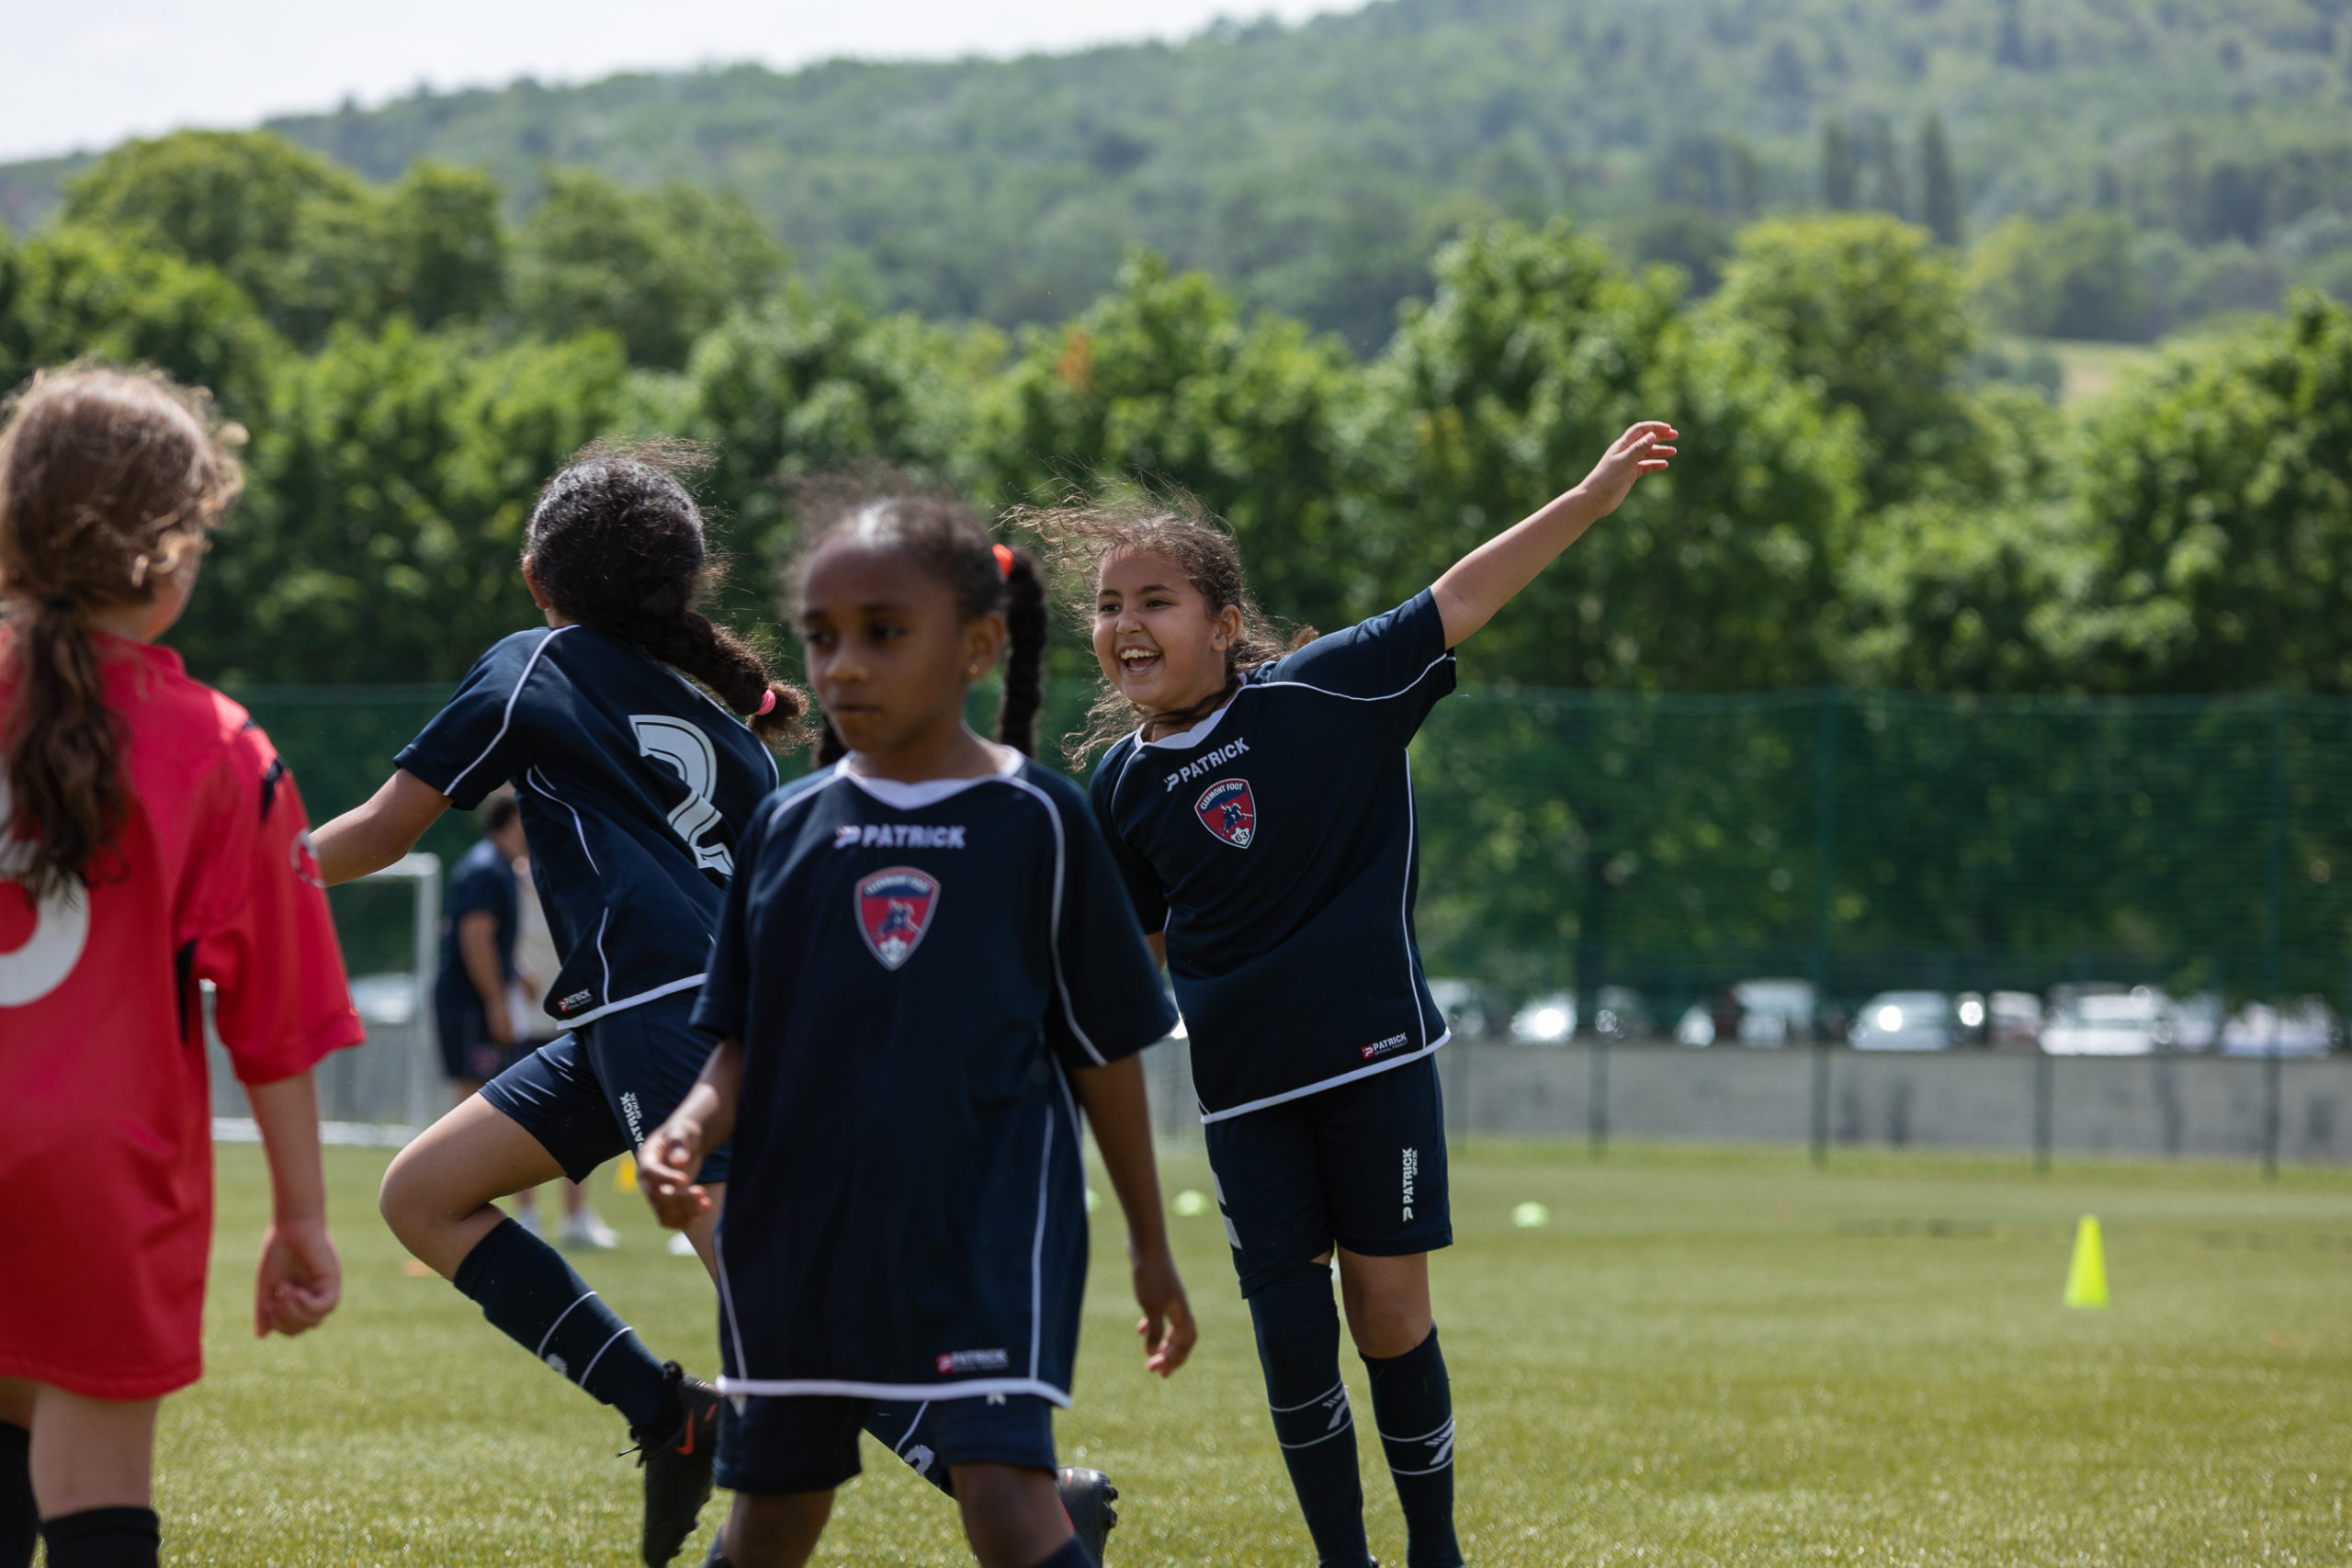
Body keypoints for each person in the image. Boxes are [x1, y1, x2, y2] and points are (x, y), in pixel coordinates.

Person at [1035, 421, 1677, 1568]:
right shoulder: (1115, 783)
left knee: (1386, 1316)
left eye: (1156, 601)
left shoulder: (1327, 694)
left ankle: (1434, 1549)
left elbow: (1460, 597)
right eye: (1107, 606)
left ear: (1226, 626)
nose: (1125, 624)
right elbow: (1137, 953)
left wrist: (1587, 497)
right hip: (1241, 1096)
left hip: (1372, 1060)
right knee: (1289, 1337)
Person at [638, 492, 1194, 1568]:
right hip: (800, 1233)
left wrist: (1147, 1242)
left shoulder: (1038, 820)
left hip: (982, 1229)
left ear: (978, 646)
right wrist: (691, 1128)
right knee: (773, 1519)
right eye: (822, 638)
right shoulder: (785, 829)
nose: (843, 665)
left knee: (1007, 1503)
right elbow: (744, 1040)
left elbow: (1103, 1049)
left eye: (883, 633)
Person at [309, 443, 807, 1566]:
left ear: (538, 576)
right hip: (688, 1016)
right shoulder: (733, 727)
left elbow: (384, 831)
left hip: (665, 1012)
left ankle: (1004, 1480)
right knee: (426, 1194)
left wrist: (246, 876)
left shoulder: (535, 664)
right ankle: (668, 1412)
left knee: (757, 1288)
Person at [0, 367, 360, 1568]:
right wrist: (303, 1219)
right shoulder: (221, 746)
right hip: (104, 1173)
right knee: (94, 1480)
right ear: (172, 552)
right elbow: (281, 1019)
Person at [509, 841, 622, 1249]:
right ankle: (527, 1214)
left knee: (576, 1120)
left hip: (572, 1015)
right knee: (523, 1120)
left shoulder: (573, 876)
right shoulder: (507, 881)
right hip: (527, 1019)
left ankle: (577, 1216)